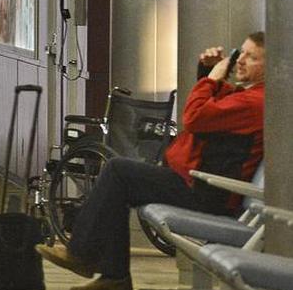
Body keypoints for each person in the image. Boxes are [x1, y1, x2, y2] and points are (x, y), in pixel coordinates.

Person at [36, 32, 267, 290]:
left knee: (118, 172)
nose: (241, 60)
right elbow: (217, 105)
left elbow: (195, 117)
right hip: (197, 183)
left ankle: (86, 256)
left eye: (252, 57)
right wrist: (207, 73)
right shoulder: (251, 97)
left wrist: (211, 79)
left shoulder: (257, 102)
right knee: (118, 186)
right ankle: (113, 276)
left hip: (206, 194)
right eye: (242, 52)